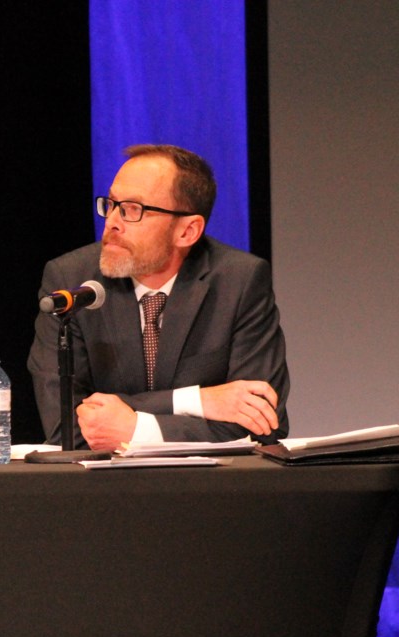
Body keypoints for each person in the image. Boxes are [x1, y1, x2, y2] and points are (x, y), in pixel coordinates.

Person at [27, 144, 290, 451]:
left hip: (208, 490)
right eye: (111, 204)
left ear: (187, 232)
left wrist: (136, 428)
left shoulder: (240, 282)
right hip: (105, 492)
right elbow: (66, 428)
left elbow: (263, 427)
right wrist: (198, 401)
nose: (111, 221)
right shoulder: (71, 282)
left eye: (132, 209)